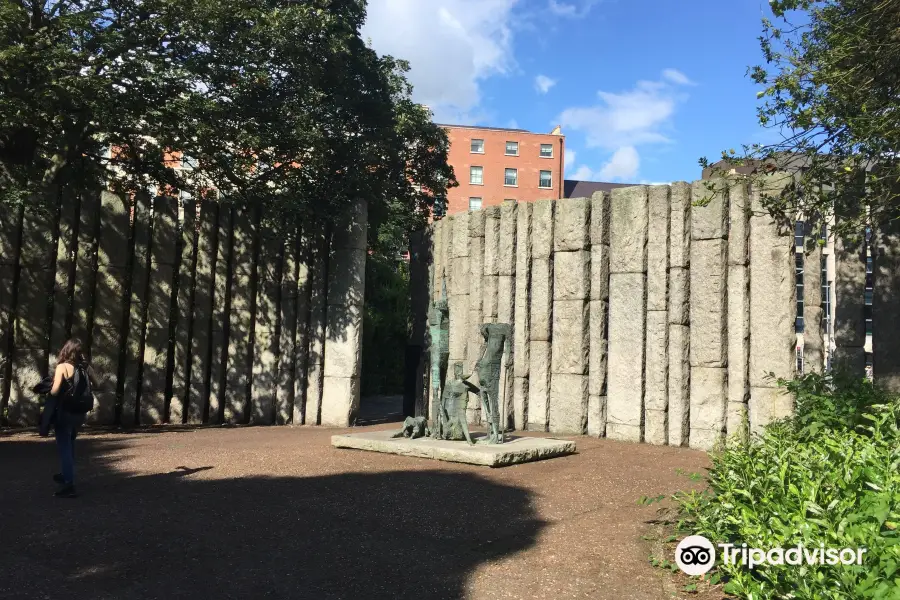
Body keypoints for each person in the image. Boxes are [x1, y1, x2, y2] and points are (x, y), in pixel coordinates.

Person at [48, 338, 94, 498]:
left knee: (64, 446)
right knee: (71, 443)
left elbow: (54, 391)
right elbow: (100, 382)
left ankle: (68, 483)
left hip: (65, 411)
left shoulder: (62, 367)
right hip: (79, 412)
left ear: (66, 350)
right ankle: (66, 474)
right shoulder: (84, 368)